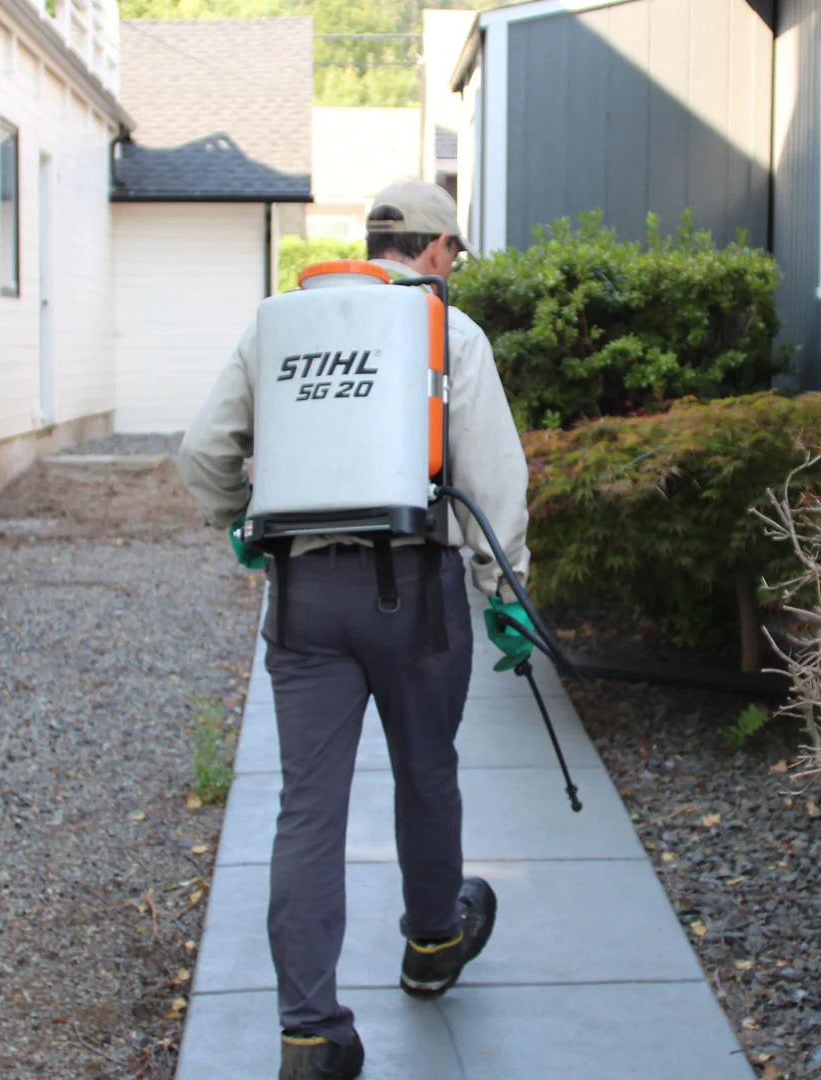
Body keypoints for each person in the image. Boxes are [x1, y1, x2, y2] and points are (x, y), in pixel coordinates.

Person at [176, 178, 535, 1080]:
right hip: (415, 595)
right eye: (454, 252)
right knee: (426, 773)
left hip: (304, 604)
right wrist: (507, 594)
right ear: (434, 250)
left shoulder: (279, 325)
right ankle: (430, 947)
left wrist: (242, 524)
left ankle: (311, 1034)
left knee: (308, 807)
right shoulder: (448, 332)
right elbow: (495, 481)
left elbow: (203, 452)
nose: (454, 266)